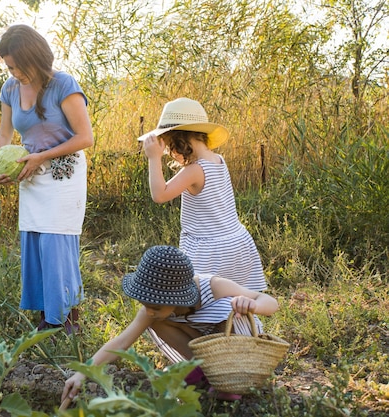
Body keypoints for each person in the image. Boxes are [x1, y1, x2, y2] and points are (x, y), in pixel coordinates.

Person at [61, 245, 279, 403]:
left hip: (237, 345)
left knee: (230, 309)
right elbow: (122, 342)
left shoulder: (214, 287)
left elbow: (271, 302)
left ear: (175, 298)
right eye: (144, 303)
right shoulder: (152, 310)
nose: (148, 310)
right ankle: (204, 371)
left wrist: (250, 304)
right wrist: (83, 373)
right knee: (156, 322)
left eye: (155, 305)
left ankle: (231, 376)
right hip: (203, 346)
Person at [138, 97, 268, 361]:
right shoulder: (218, 160)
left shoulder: (195, 170)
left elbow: (159, 195)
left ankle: (202, 360)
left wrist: (153, 159)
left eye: (169, 144)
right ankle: (243, 351)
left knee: (193, 309)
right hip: (236, 242)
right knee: (236, 305)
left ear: (178, 140)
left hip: (208, 249)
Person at [0, 24, 94, 334]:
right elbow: (5, 133)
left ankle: (67, 319)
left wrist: (42, 157)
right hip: (30, 172)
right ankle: (48, 315)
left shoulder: (63, 84)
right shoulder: (9, 89)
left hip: (64, 172)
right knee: (35, 240)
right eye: (9, 66)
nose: (14, 72)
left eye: (18, 66)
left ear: (35, 57)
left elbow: (85, 138)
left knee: (56, 241)